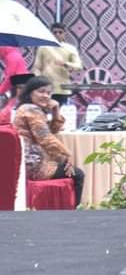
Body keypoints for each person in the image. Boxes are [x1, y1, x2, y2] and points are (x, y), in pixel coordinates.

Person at [11, 77, 84, 205]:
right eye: (41, 91)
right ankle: (74, 212)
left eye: (49, 93)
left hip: (29, 161)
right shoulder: (30, 110)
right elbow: (45, 138)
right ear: (30, 93)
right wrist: (66, 155)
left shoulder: (29, 108)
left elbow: (53, 130)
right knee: (78, 174)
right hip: (32, 166)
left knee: (68, 168)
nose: (46, 96)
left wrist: (56, 111)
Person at [30, 23, 83, 107]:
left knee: (58, 111)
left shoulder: (70, 49)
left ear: (64, 34)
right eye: (55, 32)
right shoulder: (43, 47)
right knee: (43, 110)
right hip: (46, 87)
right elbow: (37, 67)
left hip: (62, 87)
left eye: (60, 32)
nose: (57, 34)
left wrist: (65, 64)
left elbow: (79, 66)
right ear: (51, 33)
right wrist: (39, 82)